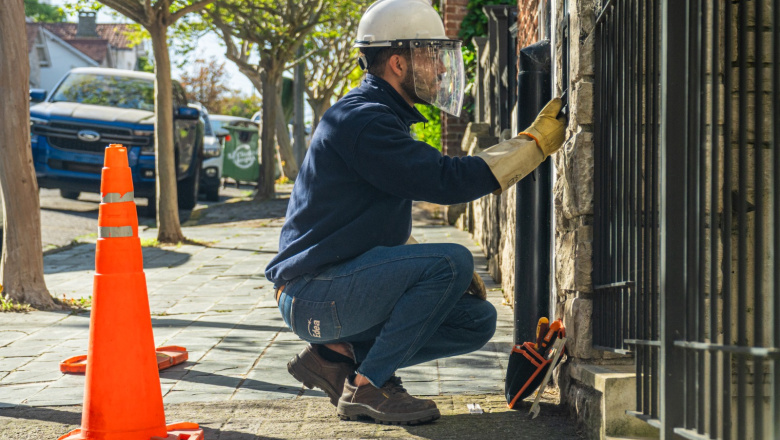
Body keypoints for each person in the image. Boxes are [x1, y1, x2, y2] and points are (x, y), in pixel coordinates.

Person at [265, 0, 567, 425]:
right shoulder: (364, 121)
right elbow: (448, 181)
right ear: (397, 63)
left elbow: (363, 224)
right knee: (453, 259)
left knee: (476, 321)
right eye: (431, 56)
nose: (441, 70)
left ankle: (337, 358)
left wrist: (429, 271)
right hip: (313, 294)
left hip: (331, 289)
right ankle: (368, 387)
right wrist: (533, 144)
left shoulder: (379, 118)